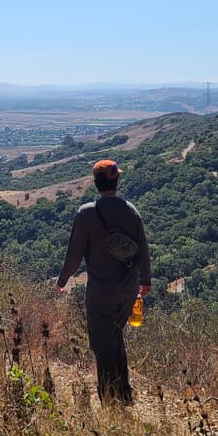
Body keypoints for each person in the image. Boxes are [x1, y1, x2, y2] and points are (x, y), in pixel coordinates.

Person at [56, 159, 151, 405]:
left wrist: (63, 279)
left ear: (96, 183)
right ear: (117, 180)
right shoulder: (131, 210)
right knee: (116, 336)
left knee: (101, 343)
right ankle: (124, 393)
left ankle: (109, 397)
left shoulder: (86, 213)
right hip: (128, 288)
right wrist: (146, 281)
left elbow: (74, 253)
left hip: (101, 291)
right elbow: (143, 248)